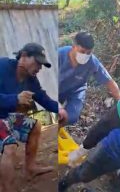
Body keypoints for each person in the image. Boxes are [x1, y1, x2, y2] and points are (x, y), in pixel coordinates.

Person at [0, 43, 58, 192]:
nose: (39, 67)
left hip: (6, 119)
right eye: (37, 62)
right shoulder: (2, 66)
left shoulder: (31, 80)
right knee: (9, 146)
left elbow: (43, 98)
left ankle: (30, 168)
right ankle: (7, 188)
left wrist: (62, 110)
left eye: (42, 64)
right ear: (24, 56)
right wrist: (15, 99)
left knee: (35, 125)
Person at [58, 32, 120, 126]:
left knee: (71, 116)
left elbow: (109, 81)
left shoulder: (92, 62)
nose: (85, 55)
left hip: (76, 89)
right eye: (82, 51)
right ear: (73, 46)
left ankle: (56, 129)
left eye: (89, 52)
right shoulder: (59, 55)